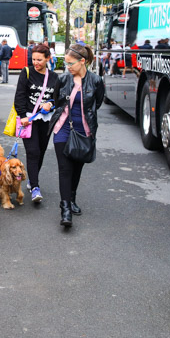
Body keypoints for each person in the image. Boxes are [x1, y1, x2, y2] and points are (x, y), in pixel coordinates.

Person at [49, 43, 104, 227]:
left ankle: (71, 199)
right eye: (66, 64)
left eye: (71, 63)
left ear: (83, 62)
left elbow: (98, 103)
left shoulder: (96, 81)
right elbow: (57, 102)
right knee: (65, 170)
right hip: (62, 129)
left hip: (84, 132)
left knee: (76, 169)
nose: (68, 67)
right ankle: (65, 210)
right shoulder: (63, 79)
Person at [14, 43, 58, 204]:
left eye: (39, 59)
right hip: (28, 120)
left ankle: (32, 180)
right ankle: (35, 188)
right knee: (32, 151)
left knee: (40, 152)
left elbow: (58, 99)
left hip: (45, 121)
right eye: (33, 59)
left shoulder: (54, 77)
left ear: (48, 58)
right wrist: (22, 115)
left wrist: (50, 104)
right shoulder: (26, 72)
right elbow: (19, 95)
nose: (36, 62)